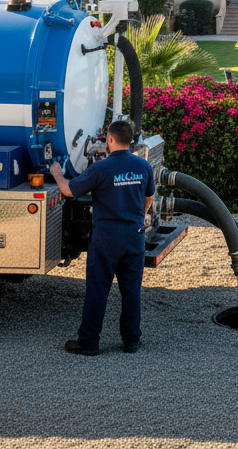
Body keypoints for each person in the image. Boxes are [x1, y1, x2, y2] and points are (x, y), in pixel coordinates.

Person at [49, 119, 154, 356]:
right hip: (134, 237)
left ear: (110, 139)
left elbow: (68, 190)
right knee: (131, 291)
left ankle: (88, 342)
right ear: (130, 141)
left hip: (107, 238)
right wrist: (138, 217)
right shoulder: (143, 166)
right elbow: (149, 198)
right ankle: (131, 341)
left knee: (98, 290)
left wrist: (56, 173)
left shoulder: (101, 169)